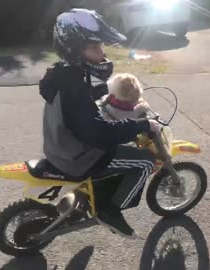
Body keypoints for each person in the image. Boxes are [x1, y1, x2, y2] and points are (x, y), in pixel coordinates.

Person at [39, 8, 161, 238]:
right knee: (146, 160)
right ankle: (110, 210)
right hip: (78, 158)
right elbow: (98, 133)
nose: (102, 53)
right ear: (75, 49)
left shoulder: (63, 73)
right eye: (95, 47)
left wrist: (107, 90)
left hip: (59, 146)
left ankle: (94, 194)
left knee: (121, 151)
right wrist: (141, 125)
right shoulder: (74, 85)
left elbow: (80, 100)